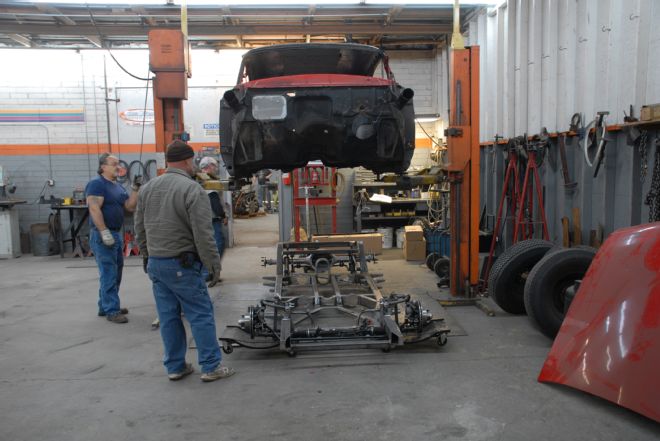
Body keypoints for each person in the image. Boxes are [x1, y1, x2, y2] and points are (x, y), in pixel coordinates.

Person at [135, 140, 235, 382]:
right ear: (188, 161)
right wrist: (213, 265)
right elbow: (203, 233)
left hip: (157, 264)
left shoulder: (147, 188)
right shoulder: (192, 189)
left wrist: (147, 256)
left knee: (168, 316)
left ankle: (175, 366)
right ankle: (211, 366)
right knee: (200, 313)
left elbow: (139, 228)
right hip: (182, 264)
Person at [85, 153, 140, 324]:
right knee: (108, 272)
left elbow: (129, 207)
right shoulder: (97, 184)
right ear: (103, 167)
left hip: (116, 233)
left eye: (119, 163)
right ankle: (111, 309)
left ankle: (106, 305)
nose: (118, 166)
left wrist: (135, 190)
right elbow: (94, 208)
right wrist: (103, 231)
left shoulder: (117, 186)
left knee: (115, 273)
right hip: (103, 235)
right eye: (114, 163)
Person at [198, 156, 227, 265]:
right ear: (209, 166)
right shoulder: (208, 179)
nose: (215, 168)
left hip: (201, 217)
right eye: (214, 166)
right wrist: (223, 215)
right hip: (212, 218)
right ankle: (210, 270)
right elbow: (214, 199)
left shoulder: (198, 178)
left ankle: (209, 269)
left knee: (206, 244)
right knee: (218, 243)